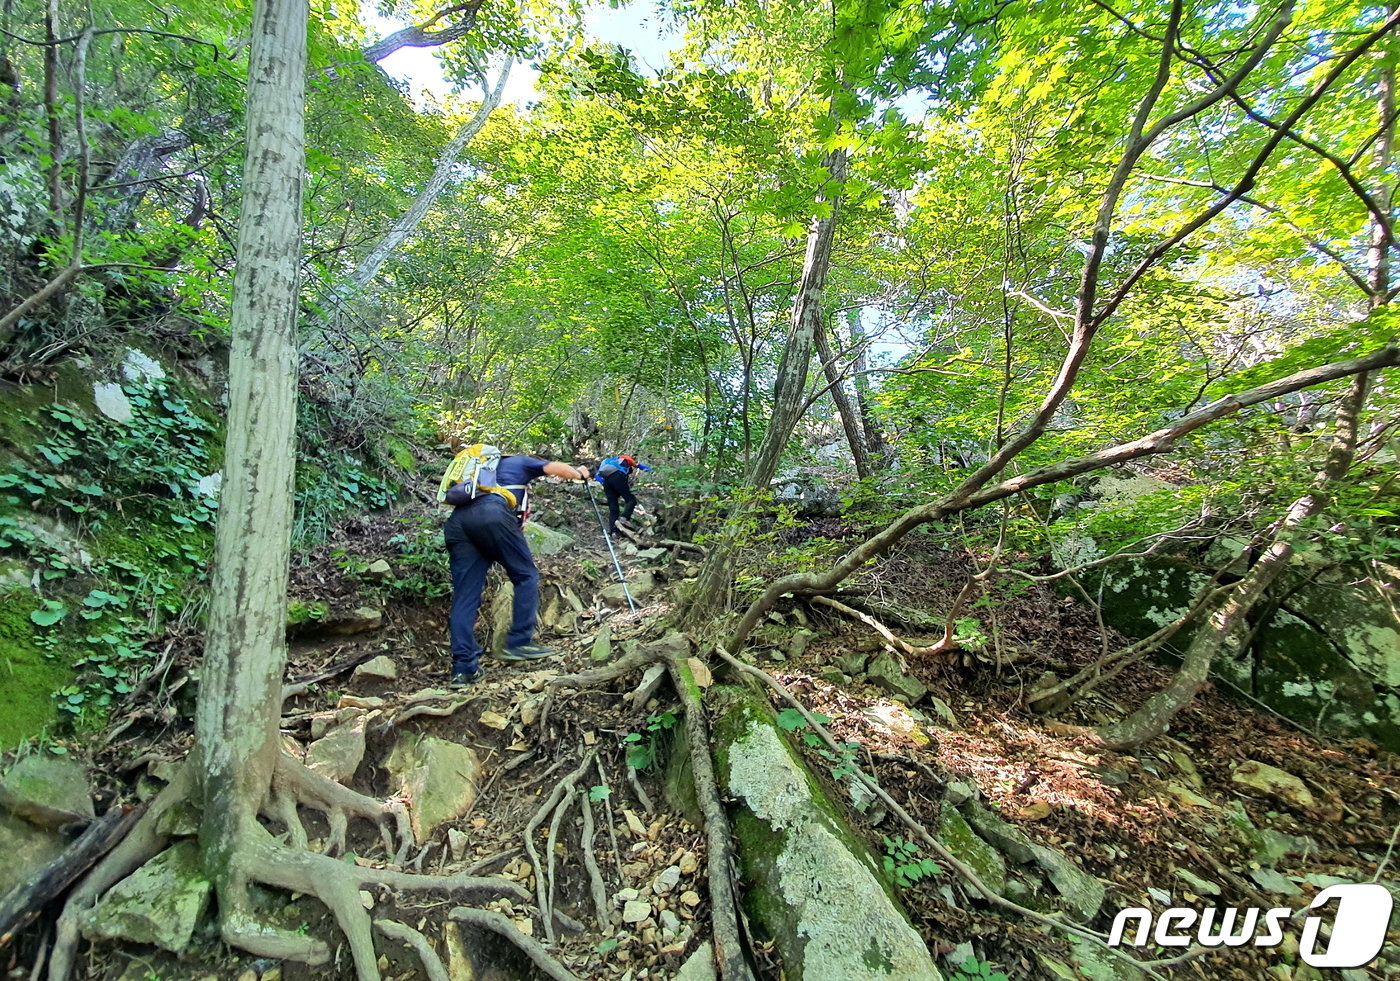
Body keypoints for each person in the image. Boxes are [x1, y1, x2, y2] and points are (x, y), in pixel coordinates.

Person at [442, 453, 590, 687]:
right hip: (492, 514)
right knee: (526, 574)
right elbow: (558, 468)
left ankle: (463, 669)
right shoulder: (517, 461)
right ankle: (519, 642)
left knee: (465, 598)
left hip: (459, 524)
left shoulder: (473, 470)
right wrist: (580, 473)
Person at [595, 454, 652, 534]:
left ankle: (613, 531)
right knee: (631, 500)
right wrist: (651, 469)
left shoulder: (608, 461)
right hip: (618, 476)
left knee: (613, 507)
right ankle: (624, 518)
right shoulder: (624, 458)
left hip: (607, 481)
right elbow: (638, 465)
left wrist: (603, 482)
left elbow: (597, 476)